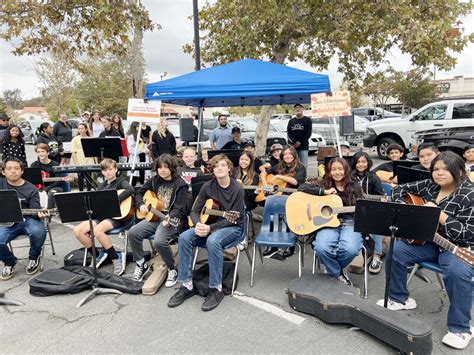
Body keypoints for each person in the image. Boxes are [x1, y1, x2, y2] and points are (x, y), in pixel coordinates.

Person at [377, 151, 473, 350]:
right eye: (436, 169)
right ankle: (399, 298)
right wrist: (409, 210)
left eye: (446, 169)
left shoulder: (469, 194)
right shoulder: (430, 185)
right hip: (427, 241)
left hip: (456, 247)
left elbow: (466, 235)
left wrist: (439, 215)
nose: (439, 173)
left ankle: (460, 328)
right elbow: (398, 190)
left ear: (460, 171)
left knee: (457, 272)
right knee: (396, 250)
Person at [168, 154, 245, 312]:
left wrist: (210, 229)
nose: (219, 168)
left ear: (229, 168)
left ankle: (216, 288)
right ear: (212, 170)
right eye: (216, 166)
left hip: (233, 227)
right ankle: (187, 284)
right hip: (208, 225)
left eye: (223, 165)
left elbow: (234, 219)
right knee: (184, 237)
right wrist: (197, 225)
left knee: (213, 241)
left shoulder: (237, 188)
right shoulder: (207, 187)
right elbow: (195, 211)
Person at [298, 157, 364, 285]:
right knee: (322, 248)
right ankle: (338, 273)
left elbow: (363, 209)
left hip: (349, 222)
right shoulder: (324, 184)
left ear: (345, 170)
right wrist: (324, 192)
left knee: (350, 249)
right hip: (326, 223)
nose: (337, 172)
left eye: (340, 169)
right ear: (329, 171)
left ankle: (332, 270)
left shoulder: (355, 186)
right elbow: (301, 188)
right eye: (333, 169)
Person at [128, 154, 188, 283]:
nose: (162, 170)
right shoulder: (155, 180)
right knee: (133, 232)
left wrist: (170, 217)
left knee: (159, 241)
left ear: (172, 168)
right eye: (159, 167)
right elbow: (138, 192)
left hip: (170, 220)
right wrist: (141, 204)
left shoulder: (180, 185)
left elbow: (180, 208)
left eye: (165, 167)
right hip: (154, 217)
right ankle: (141, 263)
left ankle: (172, 268)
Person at [72, 158, 134, 275]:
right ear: (102, 172)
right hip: (101, 216)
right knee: (77, 231)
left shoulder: (121, 182)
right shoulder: (101, 186)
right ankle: (97, 255)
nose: (108, 172)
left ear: (116, 169)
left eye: (110, 169)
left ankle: (115, 258)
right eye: (105, 170)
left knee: (97, 231)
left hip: (117, 216)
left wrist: (115, 200)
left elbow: (130, 189)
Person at [0, 158, 48, 280]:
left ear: (22, 171)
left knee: (38, 232)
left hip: (28, 220)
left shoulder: (31, 188)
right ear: (3, 171)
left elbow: (35, 210)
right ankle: (9, 262)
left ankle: (33, 257)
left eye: (16, 168)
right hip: (5, 221)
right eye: (9, 168)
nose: (13, 171)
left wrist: (39, 214)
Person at [350, 151, 385, 274]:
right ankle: (358, 249)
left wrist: (368, 198)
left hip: (370, 209)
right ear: (354, 163)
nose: (361, 164)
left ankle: (377, 255)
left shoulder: (373, 177)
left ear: (368, 162)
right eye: (358, 162)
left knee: (375, 223)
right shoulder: (349, 177)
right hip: (352, 210)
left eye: (363, 161)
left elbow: (381, 196)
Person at [30, 143, 64, 209]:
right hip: (39, 187)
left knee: (51, 193)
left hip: (54, 187)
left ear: (48, 153)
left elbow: (58, 181)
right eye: (38, 152)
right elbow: (32, 181)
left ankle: (49, 214)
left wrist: (46, 189)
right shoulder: (33, 165)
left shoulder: (55, 164)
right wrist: (39, 189)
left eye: (43, 151)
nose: (41, 153)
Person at [71, 123, 95, 191]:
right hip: (80, 160)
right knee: (80, 177)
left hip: (89, 160)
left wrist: (95, 161)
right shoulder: (75, 139)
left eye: (82, 128)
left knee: (89, 177)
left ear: (86, 129)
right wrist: (76, 163)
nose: (80, 130)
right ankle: (80, 192)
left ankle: (89, 191)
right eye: (79, 129)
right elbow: (73, 152)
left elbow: (93, 152)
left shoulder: (90, 138)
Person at [127, 121, 149, 186]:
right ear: (135, 127)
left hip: (143, 158)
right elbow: (130, 149)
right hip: (135, 159)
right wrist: (141, 150)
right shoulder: (131, 137)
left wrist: (146, 149)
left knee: (142, 178)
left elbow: (143, 145)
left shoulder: (141, 136)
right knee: (134, 179)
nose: (140, 128)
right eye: (138, 126)